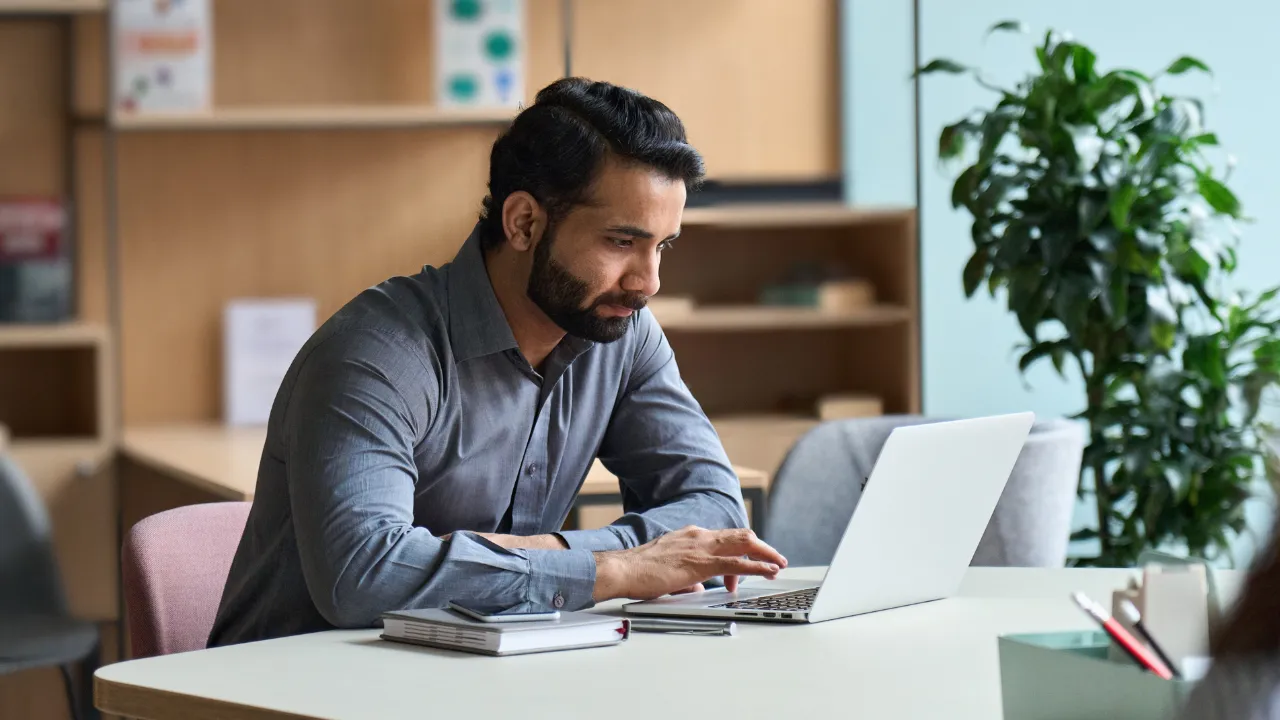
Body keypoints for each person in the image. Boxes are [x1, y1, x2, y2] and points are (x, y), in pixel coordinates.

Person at [207, 77, 787, 647]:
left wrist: (551, 557)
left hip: (472, 679)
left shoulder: (624, 333)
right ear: (523, 223)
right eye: (619, 242)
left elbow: (716, 516)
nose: (648, 282)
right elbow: (361, 577)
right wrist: (613, 568)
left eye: (661, 246)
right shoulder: (376, 352)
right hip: (287, 693)